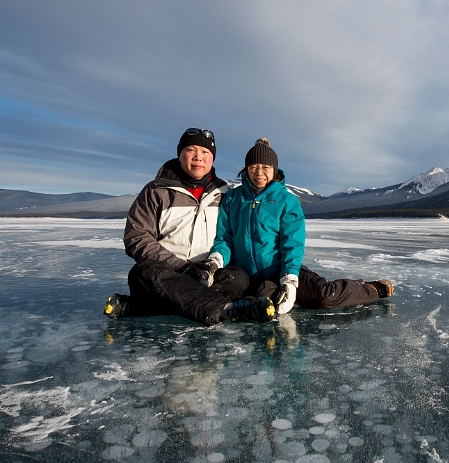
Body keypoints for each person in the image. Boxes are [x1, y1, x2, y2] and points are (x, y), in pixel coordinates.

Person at [103, 128, 276, 325]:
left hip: (208, 272)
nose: (198, 158)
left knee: (238, 278)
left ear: (212, 158)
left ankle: (139, 307)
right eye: (191, 150)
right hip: (167, 271)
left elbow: (230, 236)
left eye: (205, 152)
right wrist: (183, 267)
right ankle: (228, 310)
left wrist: (211, 266)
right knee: (143, 274)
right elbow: (137, 238)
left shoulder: (225, 193)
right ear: (180, 154)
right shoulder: (156, 191)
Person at [201, 137, 394, 315]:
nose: (259, 173)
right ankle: (293, 299)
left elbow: (291, 245)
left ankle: (370, 288)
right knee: (266, 299)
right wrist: (215, 261)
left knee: (324, 296)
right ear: (246, 169)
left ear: (274, 170)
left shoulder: (287, 201)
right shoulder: (233, 199)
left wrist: (289, 280)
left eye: (265, 167)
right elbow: (225, 238)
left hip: (282, 268)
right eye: (254, 167)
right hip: (248, 276)